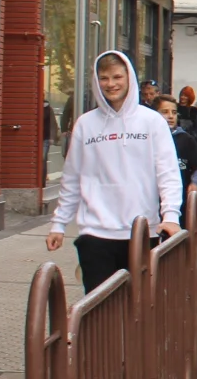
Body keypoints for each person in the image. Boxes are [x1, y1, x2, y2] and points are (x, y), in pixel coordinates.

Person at [46, 52, 182, 290]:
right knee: (99, 307)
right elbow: (72, 178)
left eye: (117, 77)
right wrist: (59, 224)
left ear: (129, 78)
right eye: (104, 78)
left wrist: (171, 216)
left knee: (138, 305)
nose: (111, 84)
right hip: (95, 234)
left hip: (142, 231)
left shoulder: (152, 122)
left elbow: (168, 174)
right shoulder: (86, 124)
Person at [155, 95, 197, 221]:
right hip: (152, 202)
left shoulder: (186, 139)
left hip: (180, 201)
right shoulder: (146, 139)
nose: (170, 116)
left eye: (174, 112)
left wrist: (196, 183)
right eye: (164, 112)